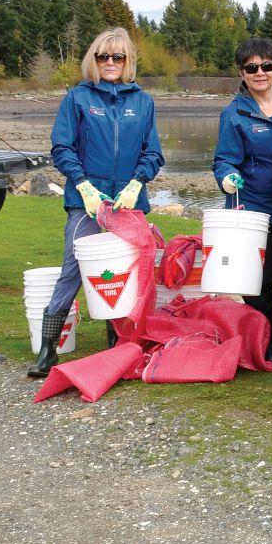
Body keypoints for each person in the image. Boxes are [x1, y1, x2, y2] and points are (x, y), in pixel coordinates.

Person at [28, 27, 164, 377]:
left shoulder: (143, 102)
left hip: (128, 203)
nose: (110, 62)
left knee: (124, 271)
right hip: (87, 201)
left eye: (118, 56)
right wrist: (84, 186)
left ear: (128, 60)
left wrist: (137, 182)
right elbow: (62, 147)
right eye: (103, 56)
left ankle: (117, 342)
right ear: (94, 59)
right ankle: (48, 348)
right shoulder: (77, 98)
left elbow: (153, 152)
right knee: (73, 269)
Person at [212, 37, 272, 362]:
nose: (260, 73)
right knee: (259, 284)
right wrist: (227, 177)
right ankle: (264, 347)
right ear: (242, 73)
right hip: (254, 212)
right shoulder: (234, 114)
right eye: (251, 68)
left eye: (266, 66)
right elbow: (224, 160)